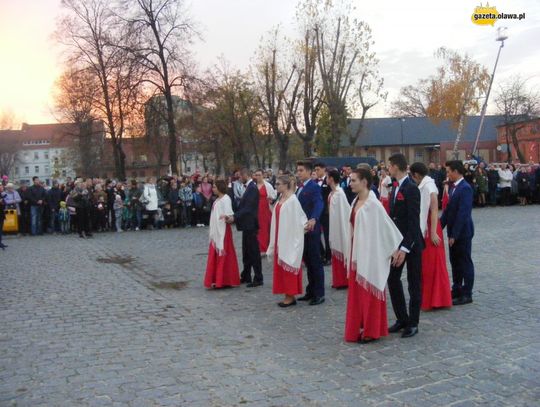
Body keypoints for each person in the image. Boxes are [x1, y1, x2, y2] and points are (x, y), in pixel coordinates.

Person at [344, 168, 403, 343]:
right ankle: (358, 326)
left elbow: (386, 227)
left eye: (354, 180)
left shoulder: (373, 204)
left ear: (364, 182)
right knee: (357, 293)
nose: (350, 183)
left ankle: (371, 329)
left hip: (370, 254)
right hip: (357, 252)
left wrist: (394, 249)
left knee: (368, 290)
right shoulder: (355, 201)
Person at [386, 153, 424, 338]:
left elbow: (413, 221)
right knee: (392, 279)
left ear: (395, 166)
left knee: (413, 283)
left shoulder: (411, 188)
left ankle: (413, 322)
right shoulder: (394, 187)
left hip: (412, 243)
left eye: (389, 166)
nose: (388, 169)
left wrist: (405, 248)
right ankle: (402, 317)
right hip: (397, 241)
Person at [410, 163, 452, 311]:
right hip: (426, 226)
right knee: (426, 264)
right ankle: (430, 297)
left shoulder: (429, 186)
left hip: (430, 227)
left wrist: (433, 232)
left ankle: (437, 298)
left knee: (433, 264)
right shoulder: (424, 184)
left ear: (416, 175)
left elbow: (434, 210)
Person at [267, 174, 307, 307]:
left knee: (288, 264)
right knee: (281, 268)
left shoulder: (292, 201)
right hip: (280, 237)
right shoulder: (281, 198)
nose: (276, 186)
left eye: (278, 184)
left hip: (288, 239)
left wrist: (293, 238)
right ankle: (286, 293)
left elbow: (299, 220)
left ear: (286, 185)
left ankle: (290, 295)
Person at [441, 160, 475, 306]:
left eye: (449, 171)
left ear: (456, 171)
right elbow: (448, 211)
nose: (447, 174)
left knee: (464, 261)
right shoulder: (453, 188)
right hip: (453, 232)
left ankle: (467, 293)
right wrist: (438, 227)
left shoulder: (465, 188)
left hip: (462, 232)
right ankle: (457, 288)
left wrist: (454, 234)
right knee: (455, 262)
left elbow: (463, 213)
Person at [225, 168, 263, 287]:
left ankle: (258, 277)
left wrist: (234, 217)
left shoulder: (252, 188)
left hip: (251, 224)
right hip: (246, 224)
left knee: (253, 252)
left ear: (245, 175)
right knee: (246, 252)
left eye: (240, 176)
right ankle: (246, 275)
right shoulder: (248, 187)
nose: (239, 179)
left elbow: (248, 208)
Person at [296, 160, 325, 305]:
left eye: (301, 170)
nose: (299, 173)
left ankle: (319, 293)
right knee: (308, 261)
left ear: (308, 171)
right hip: (302, 230)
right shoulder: (299, 187)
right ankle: (310, 290)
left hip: (311, 229)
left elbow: (319, 203)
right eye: (298, 170)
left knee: (315, 261)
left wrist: (314, 218)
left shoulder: (313, 187)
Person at [204, 180, 240, 289]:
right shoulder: (216, 199)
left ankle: (225, 280)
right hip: (216, 231)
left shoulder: (226, 199)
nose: (213, 189)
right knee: (215, 255)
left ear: (220, 188)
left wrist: (227, 217)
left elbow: (230, 215)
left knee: (225, 254)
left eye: (214, 187)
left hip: (223, 230)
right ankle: (216, 279)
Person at [327, 168, 350, 289]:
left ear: (331, 179)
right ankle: (338, 280)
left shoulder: (339, 194)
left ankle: (343, 280)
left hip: (340, 226)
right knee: (335, 251)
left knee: (341, 248)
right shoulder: (332, 193)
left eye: (327, 177)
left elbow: (344, 212)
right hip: (334, 225)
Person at [253, 169, 277, 254]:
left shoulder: (268, 185)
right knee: (257, 228)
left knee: (265, 228)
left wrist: (271, 199)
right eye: (256, 175)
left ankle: (264, 248)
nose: (258, 177)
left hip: (265, 209)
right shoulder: (254, 185)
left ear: (263, 175)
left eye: (259, 175)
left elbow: (274, 196)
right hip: (256, 209)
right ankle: (259, 247)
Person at [314, 162, 332, 266]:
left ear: (324, 169)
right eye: (315, 170)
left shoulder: (328, 181)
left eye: (318, 169)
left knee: (327, 235)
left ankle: (328, 256)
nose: (316, 172)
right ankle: (321, 253)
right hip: (317, 211)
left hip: (326, 212)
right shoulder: (315, 181)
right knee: (315, 233)